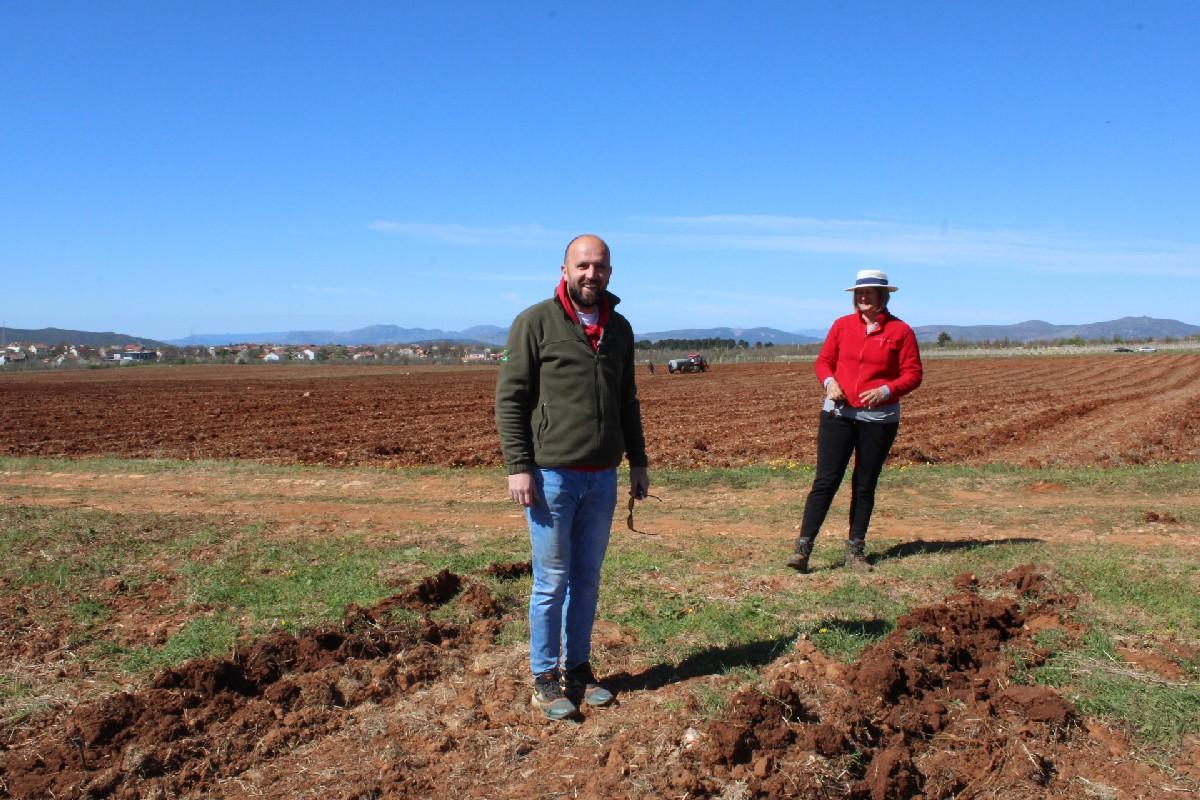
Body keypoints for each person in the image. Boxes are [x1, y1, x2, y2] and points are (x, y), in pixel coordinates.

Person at [495, 234, 650, 720]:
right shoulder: (535, 322)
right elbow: (510, 399)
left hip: (601, 476)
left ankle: (578, 669)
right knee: (552, 580)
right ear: (564, 270)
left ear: (610, 272)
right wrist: (518, 466)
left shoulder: (619, 328)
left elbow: (627, 400)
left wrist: (638, 460)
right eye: (582, 265)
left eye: (599, 266)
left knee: (586, 578)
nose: (591, 274)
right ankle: (544, 677)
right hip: (552, 476)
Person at [788, 269, 923, 574]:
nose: (862, 297)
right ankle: (802, 548)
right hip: (837, 414)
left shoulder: (901, 331)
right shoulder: (842, 325)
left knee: (864, 483)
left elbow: (913, 374)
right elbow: (824, 362)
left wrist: (886, 390)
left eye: (868, 292)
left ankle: (855, 551)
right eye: (859, 293)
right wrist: (829, 382)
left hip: (879, 419)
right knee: (825, 481)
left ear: (882, 296)